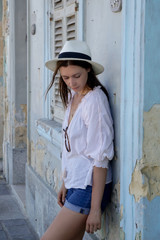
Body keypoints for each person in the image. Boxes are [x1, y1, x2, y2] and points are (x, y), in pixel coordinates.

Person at [41, 40, 114, 240]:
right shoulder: (75, 97)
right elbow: (73, 150)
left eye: (76, 76)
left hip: (90, 187)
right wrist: (66, 182)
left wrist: (95, 209)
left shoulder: (95, 101)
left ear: (88, 70)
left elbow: (100, 158)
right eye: (65, 78)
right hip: (76, 182)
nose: (71, 83)